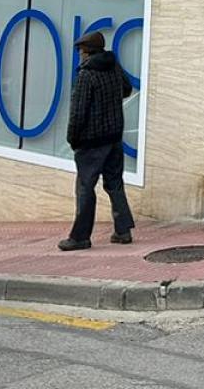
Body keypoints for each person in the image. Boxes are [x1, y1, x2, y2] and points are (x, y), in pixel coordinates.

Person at [60, 30, 135, 250]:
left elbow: (78, 112)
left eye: (80, 52)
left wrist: (72, 138)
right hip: (114, 137)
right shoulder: (113, 67)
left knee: (85, 187)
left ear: (86, 52)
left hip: (92, 142)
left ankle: (80, 237)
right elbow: (127, 88)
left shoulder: (87, 74)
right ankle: (123, 231)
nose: (80, 55)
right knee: (115, 184)